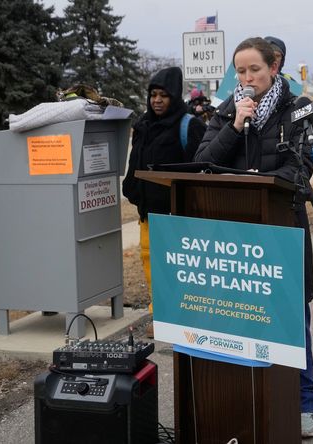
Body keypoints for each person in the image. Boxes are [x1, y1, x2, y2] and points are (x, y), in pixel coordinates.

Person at [193, 37, 313, 437]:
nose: (247, 78)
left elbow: (300, 171)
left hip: (282, 229)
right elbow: (202, 163)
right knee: (239, 320)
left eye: (255, 70)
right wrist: (233, 125)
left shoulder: (298, 109)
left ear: (274, 66)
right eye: (241, 71)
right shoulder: (227, 110)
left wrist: (261, 181)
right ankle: (244, 397)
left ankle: (302, 404)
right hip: (234, 234)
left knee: (291, 320)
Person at [121, 67, 207, 338]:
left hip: (176, 214)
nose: (157, 100)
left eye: (163, 95)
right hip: (147, 213)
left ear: (175, 97)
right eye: (153, 95)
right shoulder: (143, 126)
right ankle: (162, 315)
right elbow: (135, 164)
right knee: (151, 263)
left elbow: (201, 168)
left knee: (177, 268)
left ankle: (182, 318)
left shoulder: (189, 125)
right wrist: (133, 190)